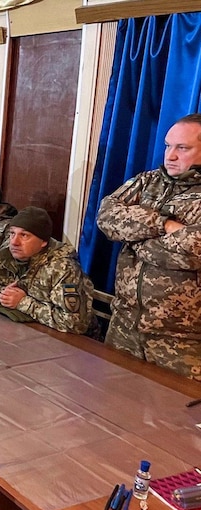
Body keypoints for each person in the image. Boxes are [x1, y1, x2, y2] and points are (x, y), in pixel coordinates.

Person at [97, 114, 201, 380]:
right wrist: (163, 224)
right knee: (111, 409)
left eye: (182, 148)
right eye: (168, 146)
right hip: (124, 326)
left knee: (172, 417)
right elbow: (106, 216)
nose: (171, 155)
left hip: (181, 340)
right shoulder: (147, 182)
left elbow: (195, 250)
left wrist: (135, 239)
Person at [0, 206, 95, 334]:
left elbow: (74, 323)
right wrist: (4, 294)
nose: (14, 242)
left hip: (70, 343)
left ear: (43, 242)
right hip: (20, 331)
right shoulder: (5, 256)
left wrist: (23, 302)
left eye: (24, 235)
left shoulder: (63, 268)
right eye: (12, 233)